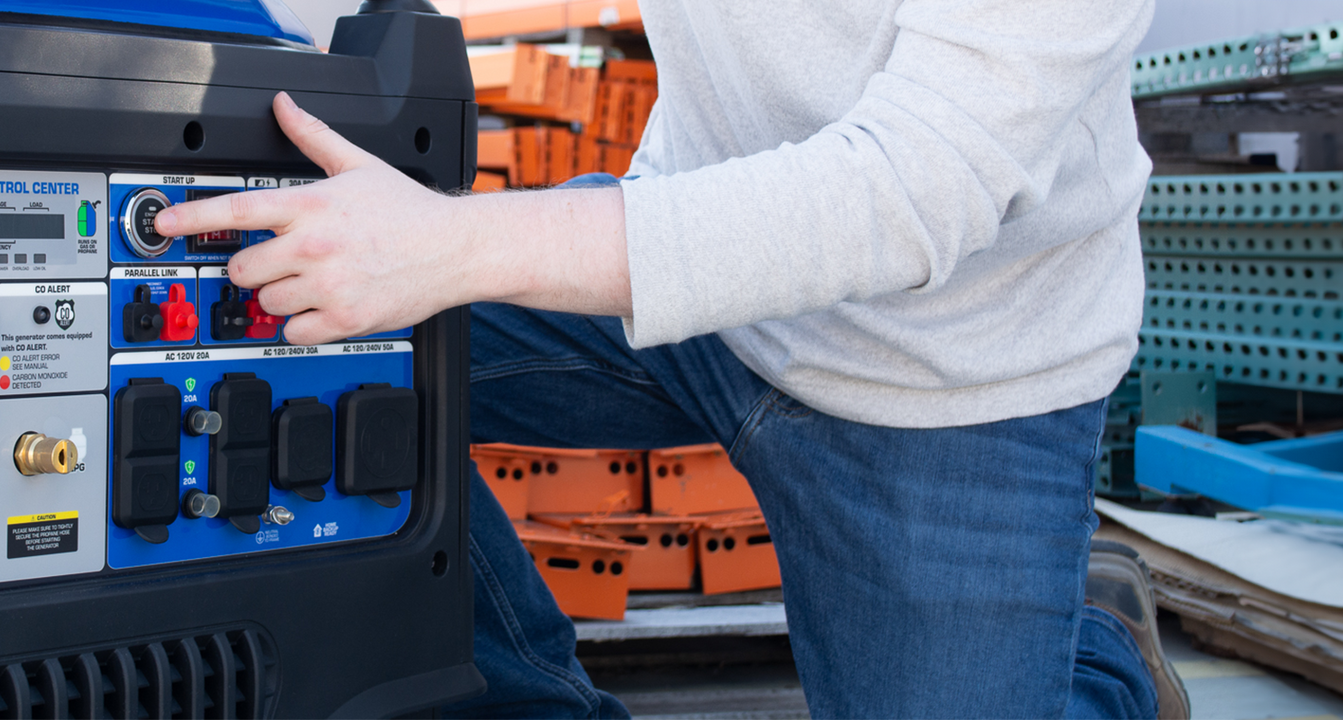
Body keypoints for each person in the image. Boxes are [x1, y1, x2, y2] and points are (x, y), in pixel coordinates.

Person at [154, 0, 1191, 716]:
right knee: (315, 333)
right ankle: (533, 703)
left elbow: (917, 188)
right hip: (705, 275)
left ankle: (1101, 662)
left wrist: (456, 245)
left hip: (952, 371)